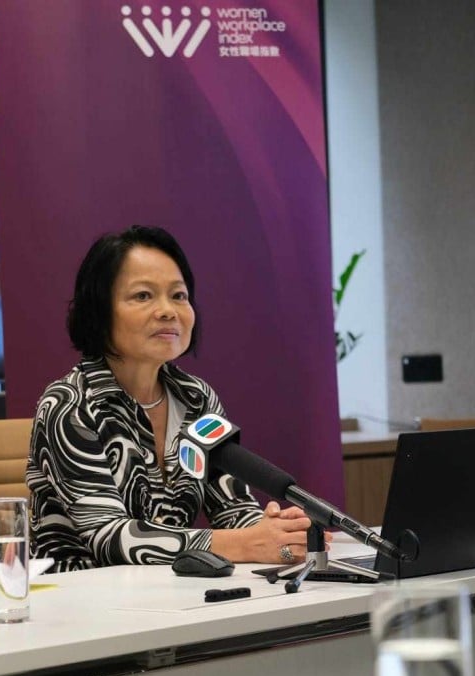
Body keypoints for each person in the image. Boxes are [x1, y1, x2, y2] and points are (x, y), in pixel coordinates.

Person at [27, 225, 323, 572]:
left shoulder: (196, 400)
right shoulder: (71, 404)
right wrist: (242, 543)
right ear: (99, 311)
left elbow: (231, 508)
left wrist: (278, 532)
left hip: (172, 594)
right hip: (81, 602)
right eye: (143, 296)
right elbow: (108, 537)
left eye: (179, 296)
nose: (168, 311)